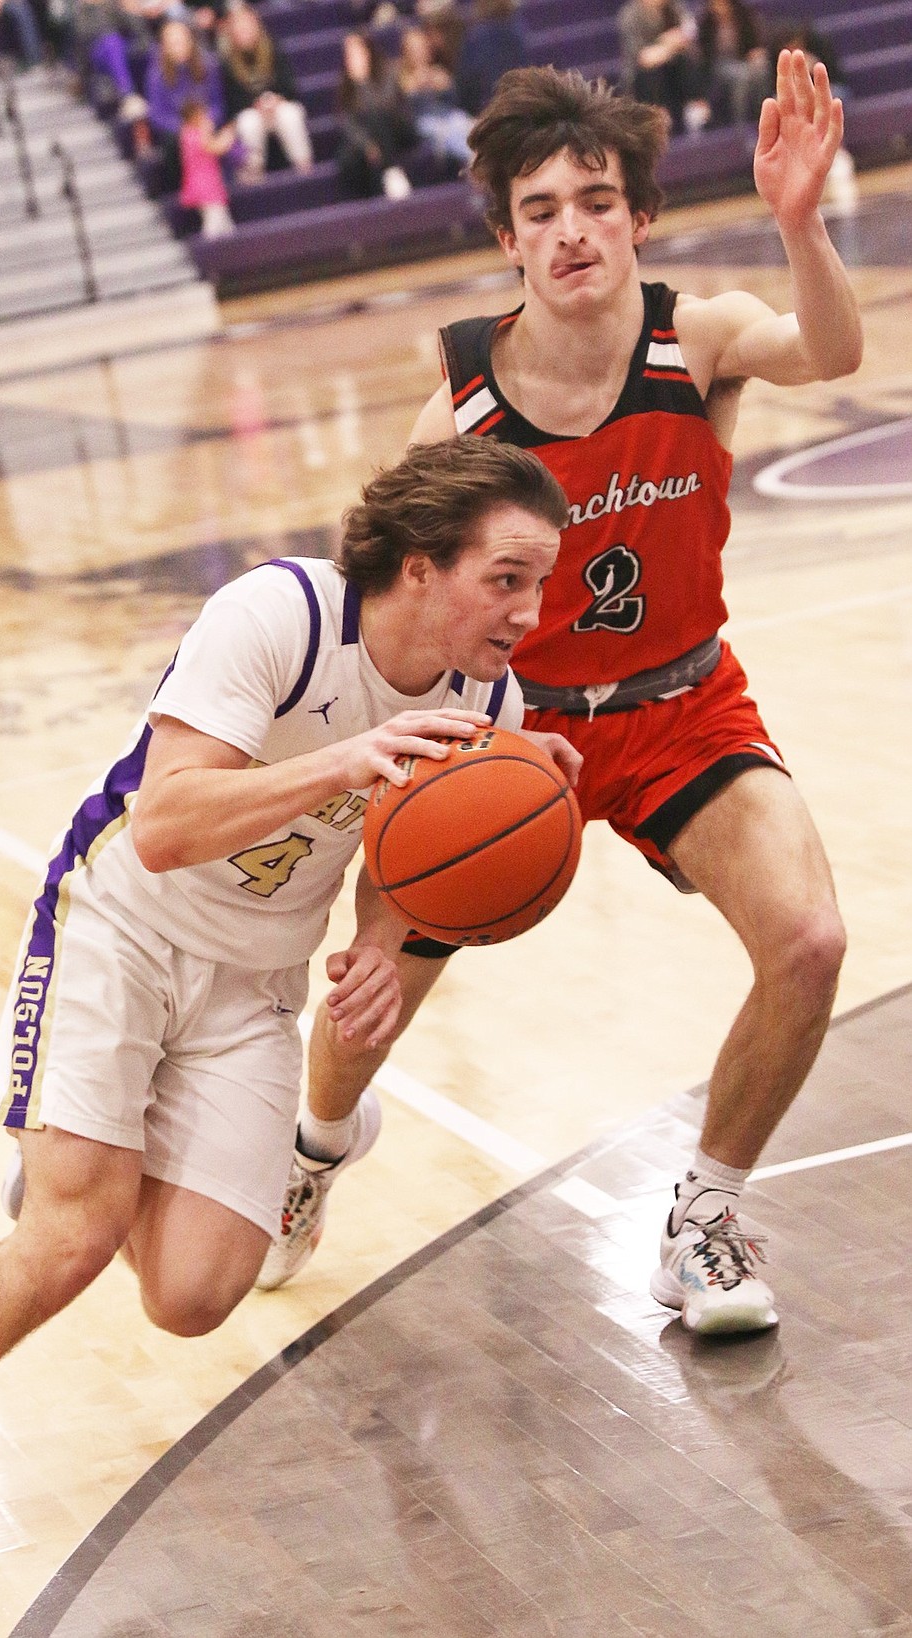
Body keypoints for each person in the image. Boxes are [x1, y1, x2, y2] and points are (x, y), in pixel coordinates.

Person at [0, 435, 579, 1589]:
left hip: (256, 985)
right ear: (422, 566)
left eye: (543, 580)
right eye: (509, 577)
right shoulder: (279, 615)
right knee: (69, 1237)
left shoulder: (487, 692)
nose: (532, 610)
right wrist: (349, 760)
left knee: (192, 1298)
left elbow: (409, 840)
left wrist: (380, 948)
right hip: (118, 932)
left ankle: (98, 1159)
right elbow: (168, 823)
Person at [264, 56, 861, 1341]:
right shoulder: (464, 414)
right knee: (364, 993)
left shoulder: (693, 340)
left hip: (685, 705)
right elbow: (377, 595)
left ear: (638, 217)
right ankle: (311, 1155)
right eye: (541, 210)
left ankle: (702, 1217)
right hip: (508, 730)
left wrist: (801, 220)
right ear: (507, 238)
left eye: (597, 199)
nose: (572, 229)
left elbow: (830, 347)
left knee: (809, 943)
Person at [220, 3, 312, 181]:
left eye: (247, 26)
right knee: (248, 122)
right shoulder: (228, 63)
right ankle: (254, 173)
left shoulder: (273, 48)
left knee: (290, 114)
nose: (244, 31)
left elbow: (290, 87)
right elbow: (232, 103)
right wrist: (255, 106)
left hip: (278, 106)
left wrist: (277, 99)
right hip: (252, 112)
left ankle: (304, 166)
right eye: (239, 28)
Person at [145, 17, 226, 191]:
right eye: (173, 43)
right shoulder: (156, 76)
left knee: (218, 136)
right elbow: (157, 116)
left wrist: (208, 121)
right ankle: (187, 190)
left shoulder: (208, 65)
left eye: (181, 42)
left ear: (191, 41)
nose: (178, 47)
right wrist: (183, 128)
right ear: (164, 47)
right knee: (178, 142)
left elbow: (218, 104)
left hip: (206, 125)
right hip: (178, 131)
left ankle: (221, 187)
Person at [335, 31, 417, 201]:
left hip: (398, 127)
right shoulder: (347, 84)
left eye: (356, 52)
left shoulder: (388, 72)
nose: (351, 58)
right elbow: (348, 122)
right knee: (349, 156)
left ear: (368, 51)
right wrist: (367, 145)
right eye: (348, 53)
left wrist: (363, 83)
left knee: (377, 118)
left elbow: (387, 108)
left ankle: (390, 170)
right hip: (371, 140)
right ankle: (381, 185)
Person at [617, 0, 705, 134]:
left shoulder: (674, 7)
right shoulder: (630, 15)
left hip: (674, 68)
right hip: (643, 76)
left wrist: (666, 48)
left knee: (684, 61)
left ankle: (696, 107)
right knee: (651, 73)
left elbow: (688, 33)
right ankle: (659, 117)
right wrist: (667, 44)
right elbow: (644, 58)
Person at [396, 23, 472, 169]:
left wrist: (445, 85)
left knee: (466, 124)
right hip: (423, 123)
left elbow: (455, 101)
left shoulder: (439, 71)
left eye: (421, 47)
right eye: (414, 48)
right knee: (446, 132)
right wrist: (414, 87)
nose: (419, 52)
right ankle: (473, 158)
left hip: (449, 115)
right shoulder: (402, 78)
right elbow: (403, 112)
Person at [696, 0, 771, 126]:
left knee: (761, 70)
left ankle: (764, 117)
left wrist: (756, 52)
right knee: (741, 76)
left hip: (743, 60)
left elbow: (756, 42)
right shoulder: (705, 22)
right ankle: (739, 125)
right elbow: (703, 54)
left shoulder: (743, 15)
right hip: (718, 64)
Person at [453, 0, 527, 118]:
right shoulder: (517, 33)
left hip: (486, 112)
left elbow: (466, 82)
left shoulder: (476, 38)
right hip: (516, 107)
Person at [177, 95, 234, 234]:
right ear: (195, 116)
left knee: (225, 224)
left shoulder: (187, 133)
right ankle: (208, 253)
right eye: (203, 114)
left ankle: (233, 251)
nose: (206, 117)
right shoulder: (194, 133)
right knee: (213, 224)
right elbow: (216, 147)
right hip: (205, 186)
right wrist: (229, 134)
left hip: (206, 183)